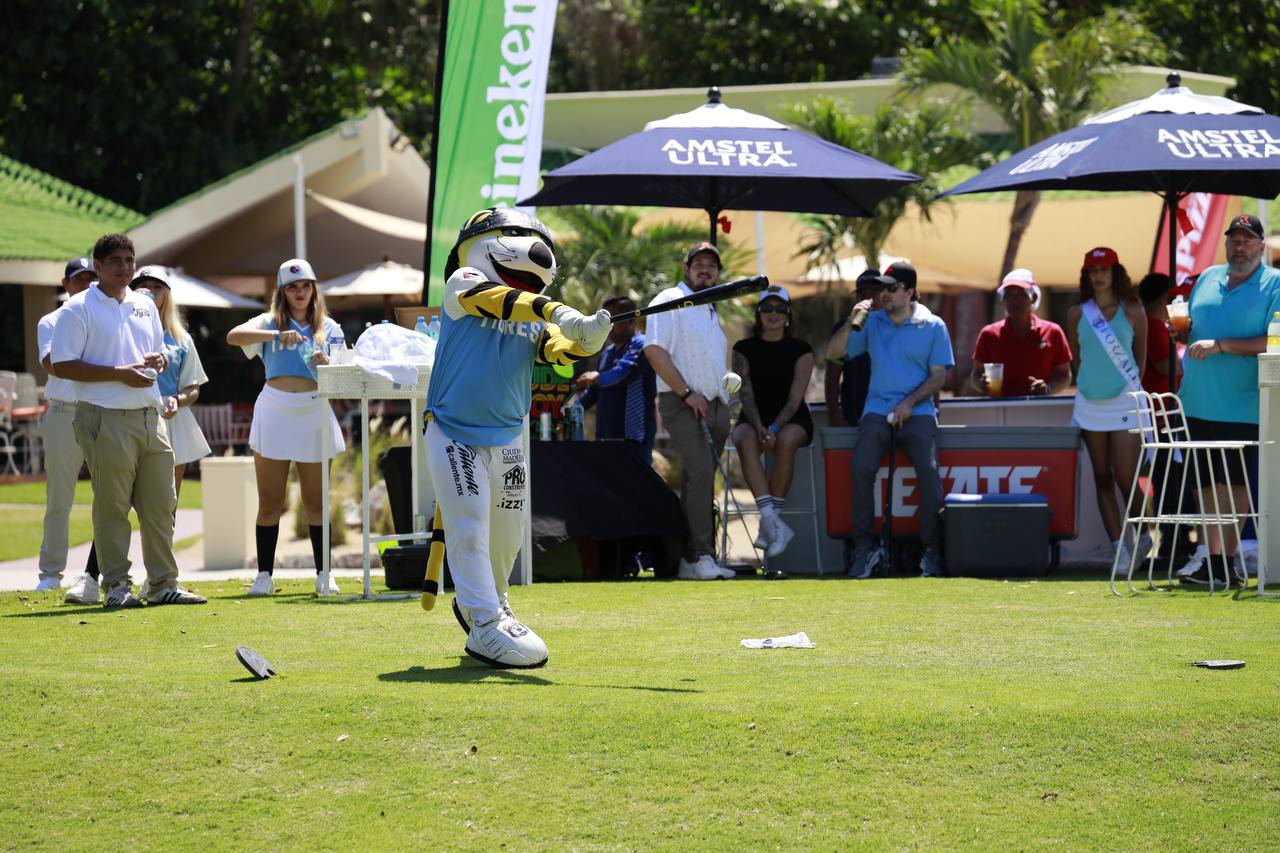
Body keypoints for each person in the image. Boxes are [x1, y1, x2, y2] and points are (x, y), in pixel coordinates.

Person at [425, 207, 610, 668]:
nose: (532, 248)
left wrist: (585, 341)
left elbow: (555, 350)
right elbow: (502, 301)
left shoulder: (533, 309)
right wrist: (560, 311)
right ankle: (484, 624)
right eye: (510, 234)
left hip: (508, 436)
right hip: (453, 430)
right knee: (469, 527)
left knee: (507, 535)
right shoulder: (464, 282)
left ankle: (494, 602)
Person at [49, 234, 206, 608]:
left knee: (160, 504)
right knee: (113, 507)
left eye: (129, 260)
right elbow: (62, 364)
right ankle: (117, 586)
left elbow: (154, 353)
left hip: (151, 415)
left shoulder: (145, 305)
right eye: (115, 261)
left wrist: (159, 361)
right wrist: (119, 373)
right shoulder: (77, 309)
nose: (124, 267)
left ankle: (163, 584)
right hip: (103, 416)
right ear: (98, 266)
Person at [227, 258, 346, 597]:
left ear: (314, 290)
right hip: (275, 409)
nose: (300, 292)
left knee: (316, 502)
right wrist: (275, 334)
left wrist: (327, 363)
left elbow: (343, 374)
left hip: (313, 410)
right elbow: (233, 336)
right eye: (293, 287)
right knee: (271, 502)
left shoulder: (330, 327)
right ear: (282, 292)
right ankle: (264, 575)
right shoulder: (268, 321)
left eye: (306, 286)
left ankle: (324, 574)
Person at [827, 261, 954, 578]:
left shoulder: (934, 325)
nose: (883, 294)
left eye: (891, 288)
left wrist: (909, 403)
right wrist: (851, 322)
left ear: (910, 293)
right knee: (861, 468)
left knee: (929, 475)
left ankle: (931, 551)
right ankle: (864, 548)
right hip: (877, 409)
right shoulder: (871, 321)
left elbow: (938, 377)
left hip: (918, 411)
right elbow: (833, 354)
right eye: (881, 288)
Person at [1177, 215, 1280, 586]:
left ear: (1261, 247)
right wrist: (1181, 331)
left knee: (1234, 484)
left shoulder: (1275, 283)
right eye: (1234, 239)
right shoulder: (1207, 277)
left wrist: (1221, 346)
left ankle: (1227, 560)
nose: (1239, 246)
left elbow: (1275, 340)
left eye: (1247, 240)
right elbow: (1192, 328)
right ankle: (1213, 560)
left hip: (1243, 403)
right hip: (1197, 399)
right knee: (1205, 484)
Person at [644, 242, 735, 581]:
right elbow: (654, 351)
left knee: (699, 480)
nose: (705, 269)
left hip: (714, 404)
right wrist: (686, 393)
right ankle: (701, 554)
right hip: (682, 402)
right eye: (699, 264)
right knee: (701, 472)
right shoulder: (670, 299)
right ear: (686, 269)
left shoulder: (710, 308)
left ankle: (690, 558)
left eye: (711, 265)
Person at [1065, 247, 1148, 568]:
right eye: (1092, 270)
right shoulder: (1076, 314)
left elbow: (1139, 361)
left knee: (1127, 477)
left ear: (1116, 272)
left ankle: (1145, 536)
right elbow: (1077, 361)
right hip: (1090, 404)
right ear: (1086, 275)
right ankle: (1119, 548)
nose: (1098, 276)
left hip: (1125, 400)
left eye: (1104, 269)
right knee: (1102, 477)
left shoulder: (1133, 310)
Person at [731, 285, 814, 568]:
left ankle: (769, 521)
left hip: (791, 419)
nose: (774, 314)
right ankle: (771, 520)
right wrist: (759, 427)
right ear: (758, 313)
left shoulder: (802, 350)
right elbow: (746, 395)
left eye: (780, 308)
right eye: (767, 308)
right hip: (753, 417)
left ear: (789, 314)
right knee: (742, 436)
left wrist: (774, 429)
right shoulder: (742, 348)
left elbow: (795, 399)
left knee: (787, 440)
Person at [35, 258, 101, 600]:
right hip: (63, 412)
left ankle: (99, 572)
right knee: (59, 498)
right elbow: (54, 365)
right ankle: (50, 573)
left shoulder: (103, 317)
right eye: (79, 279)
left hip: (101, 410)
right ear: (66, 283)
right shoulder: (51, 321)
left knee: (110, 497)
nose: (86, 284)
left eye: (91, 278)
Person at [576, 295, 657, 463]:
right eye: (605, 321)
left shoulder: (642, 344)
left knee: (635, 479)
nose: (608, 326)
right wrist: (571, 409)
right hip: (605, 436)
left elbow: (624, 373)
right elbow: (593, 393)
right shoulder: (607, 352)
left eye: (613, 320)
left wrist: (597, 377)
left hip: (633, 437)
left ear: (631, 321)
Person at [970, 269, 1072, 397]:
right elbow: (976, 375)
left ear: (1034, 298)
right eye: (1009, 295)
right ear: (1003, 299)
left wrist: (1048, 389)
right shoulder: (989, 334)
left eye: (1020, 295)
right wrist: (982, 384)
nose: (1014, 301)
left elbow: (1065, 376)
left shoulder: (1053, 332)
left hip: (1040, 407)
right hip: (1000, 407)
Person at [824, 270, 883, 427]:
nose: (868, 299)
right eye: (862, 294)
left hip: (889, 416)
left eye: (873, 293)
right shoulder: (843, 328)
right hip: (854, 417)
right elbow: (832, 375)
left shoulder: (895, 326)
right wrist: (834, 416)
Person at [1137, 272, 1179, 395]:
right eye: (1174, 296)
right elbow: (1167, 367)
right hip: (1158, 401)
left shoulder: (1148, 321)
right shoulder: (1153, 324)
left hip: (1155, 399)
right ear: (1167, 296)